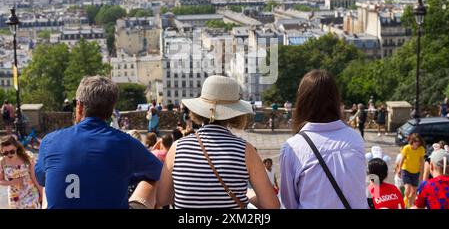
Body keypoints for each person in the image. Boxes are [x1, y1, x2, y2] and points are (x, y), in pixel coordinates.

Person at [34, 76, 163, 209]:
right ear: (110, 110)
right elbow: (159, 172)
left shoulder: (49, 141)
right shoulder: (126, 143)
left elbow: (41, 179)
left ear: (79, 105)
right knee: (151, 181)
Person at [157, 75, 279, 209]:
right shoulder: (245, 150)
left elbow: (162, 199)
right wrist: (247, 198)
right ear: (235, 113)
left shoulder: (177, 148)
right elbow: (271, 205)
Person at [280, 69, 368, 209]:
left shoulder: (293, 147)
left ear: (303, 101)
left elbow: (289, 203)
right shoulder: (355, 138)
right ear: (335, 100)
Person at [0, 136, 42, 209]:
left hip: (31, 192)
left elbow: (34, 176)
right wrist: (12, 182)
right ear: (2, 151)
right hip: (15, 196)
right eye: (6, 153)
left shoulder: (27, 157)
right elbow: (0, 181)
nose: (9, 155)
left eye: (12, 152)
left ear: (16, 148)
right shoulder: (2, 162)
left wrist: (41, 193)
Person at [397, 133, 426, 208]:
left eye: (418, 141)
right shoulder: (406, 148)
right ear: (412, 141)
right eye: (415, 141)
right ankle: (405, 202)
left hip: (416, 172)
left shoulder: (421, 149)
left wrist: (421, 173)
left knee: (413, 192)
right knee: (407, 190)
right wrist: (399, 169)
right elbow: (402, 159)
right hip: (406, 170)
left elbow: (422, 162)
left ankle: (409, 205)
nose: (417, 143)